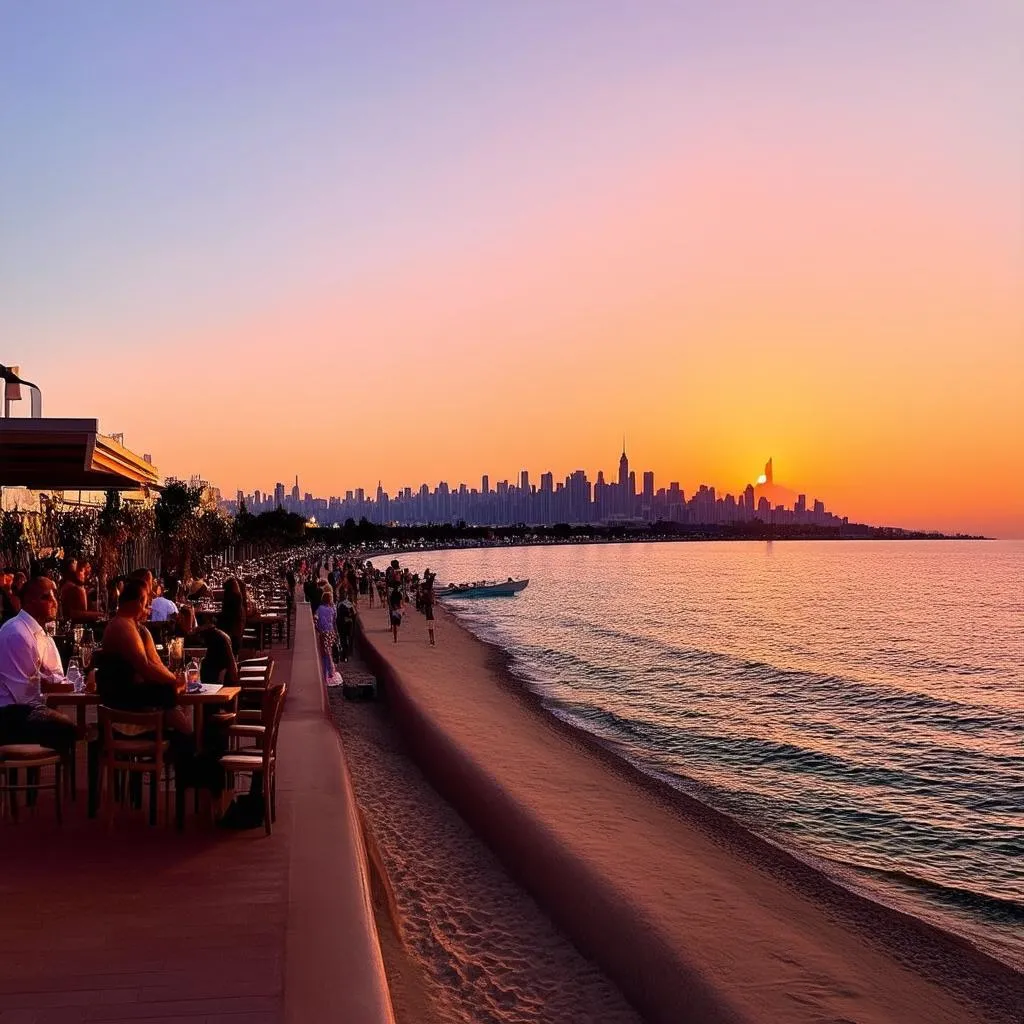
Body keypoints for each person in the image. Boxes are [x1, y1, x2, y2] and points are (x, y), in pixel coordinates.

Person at [0, 575, 78, 757]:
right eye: (46, 597)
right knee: (67, 728)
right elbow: (25, 694)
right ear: (29, 601)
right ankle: (65, 784)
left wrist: (47, 680)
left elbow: (58, 676)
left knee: (82, 728)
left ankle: (64, 783)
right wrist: (47, 681)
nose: (54, 602)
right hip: (8, 714)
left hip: (25, 709)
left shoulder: (42, 634)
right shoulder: (17, 633)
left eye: (55, 596)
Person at [315, 589, 341, 685]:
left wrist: (318, 629)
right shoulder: (332, 609)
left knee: (325, 653)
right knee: (328, 652)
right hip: (331, 632)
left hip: (323, 633)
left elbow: (315, 619)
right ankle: (330, 672)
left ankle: (326, 673)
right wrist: (336, 633)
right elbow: (334, 622)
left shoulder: (319, 608)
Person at [218, 577, 246, 656]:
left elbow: (225, 616)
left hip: (230, 631)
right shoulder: (239, 598)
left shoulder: (230, 598)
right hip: (237, 631)